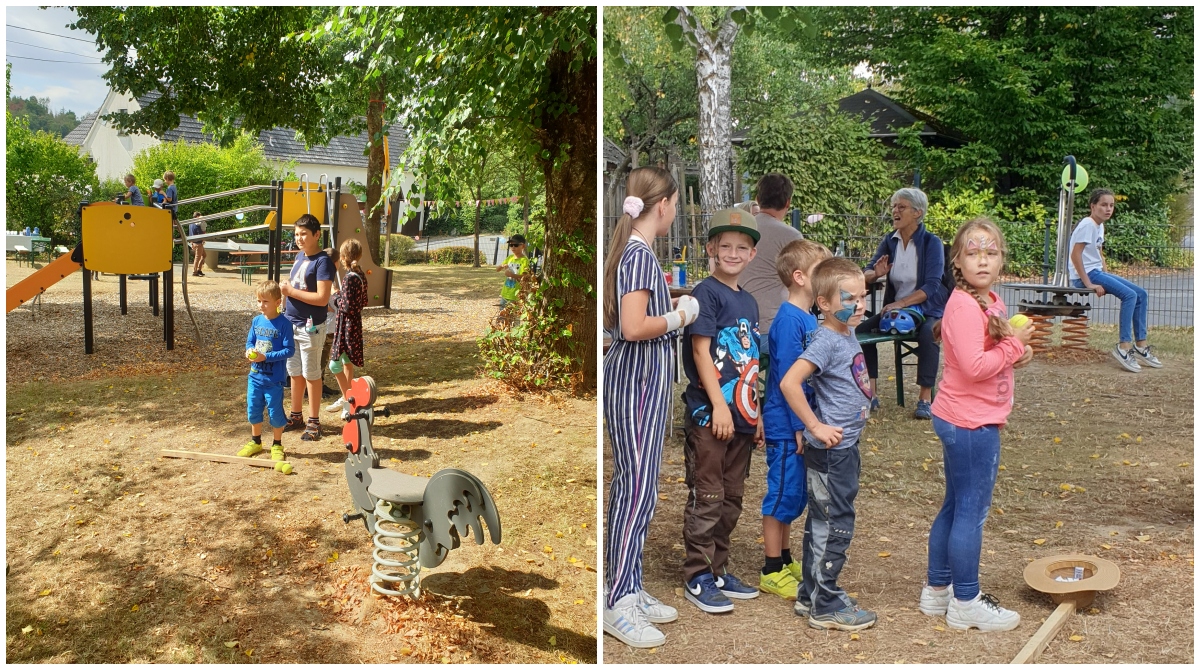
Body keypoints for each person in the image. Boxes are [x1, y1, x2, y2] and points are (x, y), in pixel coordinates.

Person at [919, 217, 1033, 631]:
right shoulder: (965, 306)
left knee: (954, 504)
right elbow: (974, 366)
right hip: (970, 423)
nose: (982, 260)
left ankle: (937, 592)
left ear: (1002, 259)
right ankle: (966, 600)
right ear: (958, 261)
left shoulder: (991, 301)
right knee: (971, 510)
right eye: (973, 252)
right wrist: (1014, 347)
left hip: (967, 418)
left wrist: (1017, 351)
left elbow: (997, 352)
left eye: (991, 252)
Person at [602, 167, 699, 649]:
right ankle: (618, 601)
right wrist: (681, 316)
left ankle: (629, 587)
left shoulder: (635, 253)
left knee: (639, 489)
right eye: (677, 204)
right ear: (662, 206)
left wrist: (676, 300)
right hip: (635, 384)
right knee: (636, 490)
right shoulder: (638, 256)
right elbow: (635, 327)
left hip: (643, 385)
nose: (676, 212)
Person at [780, 256, 876, 631]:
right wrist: (814, 425)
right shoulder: (825, 339)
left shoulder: (845, 329)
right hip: (832, 452)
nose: (860, 305)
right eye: (850, 297)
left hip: (843, 449)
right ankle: (826, 604)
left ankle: (811, 594)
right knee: (835, 522)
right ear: (823, 303)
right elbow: (790, 383)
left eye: (864, 296)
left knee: (823, 519)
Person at [680, 207, 764, 615]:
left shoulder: (748, 301)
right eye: (725, 245)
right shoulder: (705, 293)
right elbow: (701, 351)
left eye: (741, 247)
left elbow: (749, 362)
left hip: (743, 418)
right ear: (711, 248)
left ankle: (718, 568)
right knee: (709, 494)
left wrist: (756, 413)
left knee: (732, 497)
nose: (732, 253)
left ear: (752, 255)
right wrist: (718, 406)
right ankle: (697, 574)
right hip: (711, 415)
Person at [758, 239, 831, 600]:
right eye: (822, 271)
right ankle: (771, 568)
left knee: (793, 496)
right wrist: (800, 426)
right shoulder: (789, 321)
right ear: (800, 277)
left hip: (798, 424)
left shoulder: (806, 318)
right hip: (786, 425)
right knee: (781, 493)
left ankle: (785, 559)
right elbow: (788, 379)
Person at [857, 187, 948, 419]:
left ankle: (925, 399)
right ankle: (872, 393)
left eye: (901, 207)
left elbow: (932, 286)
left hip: (928, 309)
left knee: (929, 333)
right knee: (861, 331)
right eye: (893, 206)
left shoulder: (932, 243)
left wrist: (902, 303)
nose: (895, 211)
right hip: (897, 311)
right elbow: (866, 272)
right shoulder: (890, 241)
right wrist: (874, 274)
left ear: (918, 213)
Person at [1069, 188, 1161, 372]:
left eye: (1111, 205)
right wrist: (1088, 283)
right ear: (1093, 206)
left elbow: (1098, 252)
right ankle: (1124, 347)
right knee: (1129, 296)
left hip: (1096, 272)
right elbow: (1075, 255)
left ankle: (1141, 346)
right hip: (1086, 275)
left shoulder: (1099, 225)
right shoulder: (1087, 224)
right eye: (1103, 205)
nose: (1108, 209)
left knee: (1141, 294)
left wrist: (1108, 275)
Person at [279, 214, 336, 441]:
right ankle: (296, 416)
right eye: (296, 234)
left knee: (312, 374)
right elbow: (296, 285)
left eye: (303, 234)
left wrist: (291, 292)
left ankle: (314, 422)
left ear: (316, 235)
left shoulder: (323, 262)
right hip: (291, 324)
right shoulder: (300, 256)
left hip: (310, 327)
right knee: (294, 372)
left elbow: (322, 299)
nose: (299, 238)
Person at [740, 174, 803, 375]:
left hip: (736, 326)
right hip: (773, 329)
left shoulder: (740, 229)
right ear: (788, 202)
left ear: (758, 199)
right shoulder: (791, 236)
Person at [238, 280, 296, 462]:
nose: (261, 305)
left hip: (275, 380)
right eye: (258, 301)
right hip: (255, 376)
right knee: (253, 409)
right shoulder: (256, 321)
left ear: (278, 303)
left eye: (265, 301)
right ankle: (255, 442)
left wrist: (266, 357)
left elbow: (289, 350)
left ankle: (277, 444)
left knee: (275, 412)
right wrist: (249, 351)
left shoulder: (284, 324)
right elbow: (250, 342)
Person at [325, 239, 369, 415]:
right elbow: (363, 301)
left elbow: (346, 306)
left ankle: (348, 399)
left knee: (334, 366)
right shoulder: (361, 275)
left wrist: (336, 296)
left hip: (347, 326)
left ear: (343, 257)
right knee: (347, 362)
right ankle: (347, 401)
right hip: (354, 324)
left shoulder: (350, 278)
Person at [497, 233, 530, 307]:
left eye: (516, 245)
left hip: (516, 294)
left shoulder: (525, 261)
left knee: (513, 316)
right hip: (505, 293)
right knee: (502, 316)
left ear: (523, 246)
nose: (513, 247)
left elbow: (525, 277)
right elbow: (497, 269)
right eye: (511, 245)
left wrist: (512, 275)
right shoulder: (510, 258)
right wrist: (502, 266)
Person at [188, 211, 207, 277]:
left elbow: (190, 233)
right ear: (198, 216)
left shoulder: (190, 223)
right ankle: (195, 271)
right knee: (197, 257)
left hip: (194, 242)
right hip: (198, 242)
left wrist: (191, 242)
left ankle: (199, 269)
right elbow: (200, 233)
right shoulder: (197, 224)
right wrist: (203, 239)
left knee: (204, 255)